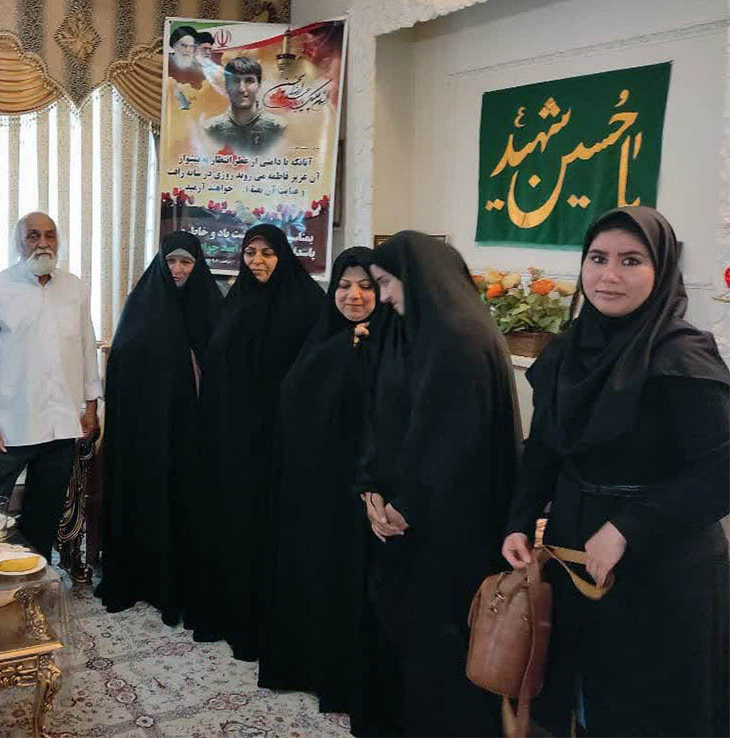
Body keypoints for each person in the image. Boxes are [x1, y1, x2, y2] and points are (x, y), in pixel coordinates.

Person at [501, 207, 729, 737]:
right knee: (580, 691)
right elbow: (545, 449)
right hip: (575, 547)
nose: (609, 275)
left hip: (663, 564)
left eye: (631, 261)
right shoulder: (568, 350)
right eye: (597, 258)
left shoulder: (683, 358)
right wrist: (519, 520)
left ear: (661, 270)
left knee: (647, 707)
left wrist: (628, 528)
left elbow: (718, 472)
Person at [355, 231, 518, 736]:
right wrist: (373, 488)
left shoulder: (458, 337)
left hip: (448, 530)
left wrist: (405, 505)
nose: (384, 296)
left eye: (387, 282)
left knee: (442, 649)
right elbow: (389, 417)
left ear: (419, 277)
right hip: (413, 519)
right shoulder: (424, 332)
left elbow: (453, 442)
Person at [183, 224, 323, 661]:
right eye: (249, 253)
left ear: (283, 255)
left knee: (268, 529)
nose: (257, 261)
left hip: (279, 443)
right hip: (232, 441)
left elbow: (312, 377)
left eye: (266, 253)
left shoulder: (307, 304)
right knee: (233, 525)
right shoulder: (237, 301)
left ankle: (265, 623)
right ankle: (229, 612)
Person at [257, 247, 387, 715]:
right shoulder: (326, 337)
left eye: (366, 287)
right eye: (344, 286)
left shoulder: (392, 342)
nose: (354, 296)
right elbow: (294, 397)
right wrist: (340, 350)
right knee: (316, 574)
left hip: (368, 488)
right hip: (317, 484)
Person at [96, 231, 222, 625]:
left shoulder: (213, 305)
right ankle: (147, 579)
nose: (179, 269)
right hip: (151, 434)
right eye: (172, 261)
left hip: (200, 432)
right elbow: (123, 362)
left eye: (187, 262)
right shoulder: (144, 305)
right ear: (161, 264)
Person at [0, 212, 101, 557]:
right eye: (33, 236)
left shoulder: (75, 288)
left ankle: (34, 577)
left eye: (50, 235)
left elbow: (86, 347)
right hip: (10, 426)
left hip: (61, 424)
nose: (43, 243)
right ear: (19, 242)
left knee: (45, 513)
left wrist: (91, 407)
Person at [203, 56, 286, 155]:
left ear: (259, 85)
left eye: (249, 80)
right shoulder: (210, 129)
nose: (242, 89)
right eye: (235, 81)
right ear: (226, 86)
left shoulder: (279, 127)